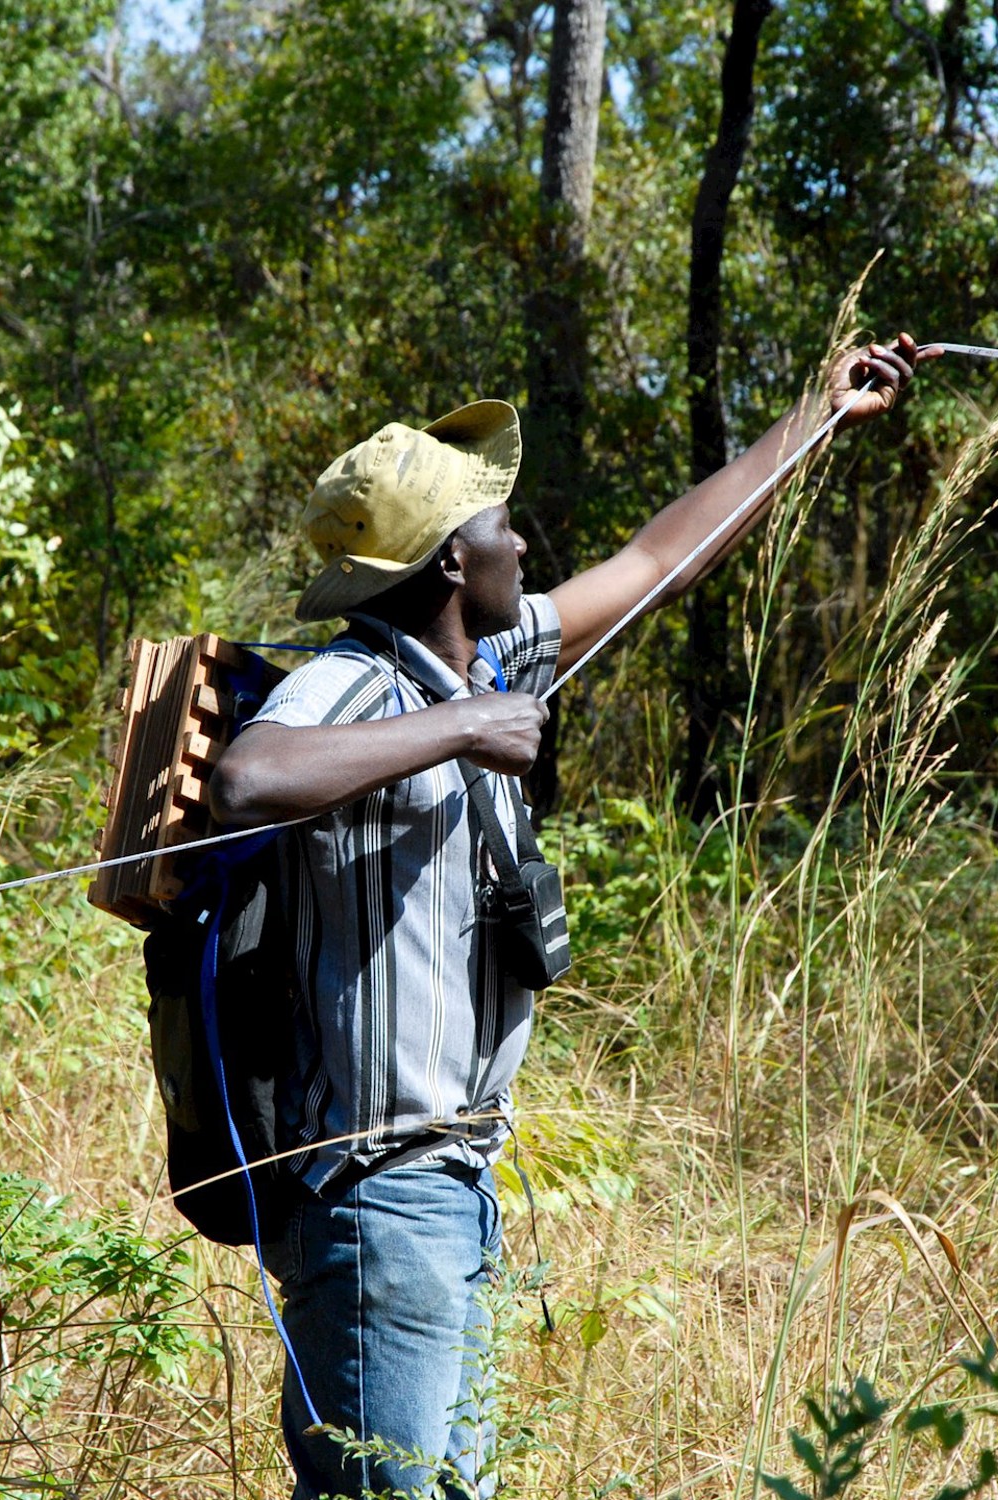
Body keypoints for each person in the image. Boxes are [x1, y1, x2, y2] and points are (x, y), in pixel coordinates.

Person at [209, 334, 931, 1499]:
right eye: (501, 522)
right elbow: (250, 776)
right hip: (375, 1204)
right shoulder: (355, 682)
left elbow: (660, 559)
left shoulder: (488, 658)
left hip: (448, 1195)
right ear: (453, 559)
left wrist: (816, 415)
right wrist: (460, 733)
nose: (522, 539)